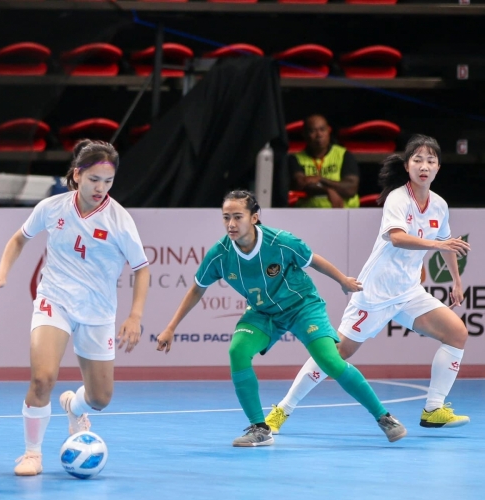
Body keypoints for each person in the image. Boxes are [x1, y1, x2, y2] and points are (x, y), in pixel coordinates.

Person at [156, 190, 406, 447]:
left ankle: (384, 417)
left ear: (254, 218)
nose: (231, 224)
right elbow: (197, 288)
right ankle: (259, 428)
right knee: (238, 351)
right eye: (226, 217)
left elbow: (313, 260)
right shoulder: (220, 254)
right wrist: (171, 327)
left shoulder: (280, 241)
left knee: (331, 361)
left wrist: (343, 280)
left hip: (302, 307)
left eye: (238, 217)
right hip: (263, 313)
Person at [266, 134, 471, 433]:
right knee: (336, 353)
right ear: (407, 165)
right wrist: (438, 246)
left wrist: (456, 280)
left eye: (430, 160)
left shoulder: (439, 205)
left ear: (438, 167)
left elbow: (446, 243)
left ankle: (433, 409)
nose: (424, 166)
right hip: (375, 292)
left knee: (456, 333)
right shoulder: (398, 198)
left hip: (408, 291)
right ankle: (282, 411)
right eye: (417, 159)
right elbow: (398, 238)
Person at [0, 139, 150, 476]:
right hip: (54, 300)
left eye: (108, 182)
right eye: (94, 180)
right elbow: (19, 239)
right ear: (77, 175)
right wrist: (2, 275)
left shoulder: (120, 220)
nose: (101, 188)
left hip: (98, 313)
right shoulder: (52, 207)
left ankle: (74, 405)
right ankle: (32, 453)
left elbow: (141, 268)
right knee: (43, 378)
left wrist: (135, 316)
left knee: (101, 398)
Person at [290, 114, 360, 208]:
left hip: (344, 214)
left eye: (322, 130)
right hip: (309, 214)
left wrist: (320, 179)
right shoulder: (295, 159)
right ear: (304, 134)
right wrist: (327, 190)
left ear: (328, 131)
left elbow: (350, 188)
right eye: (313, 131)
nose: (319, 135)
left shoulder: (344, 155)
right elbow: (301, 185)